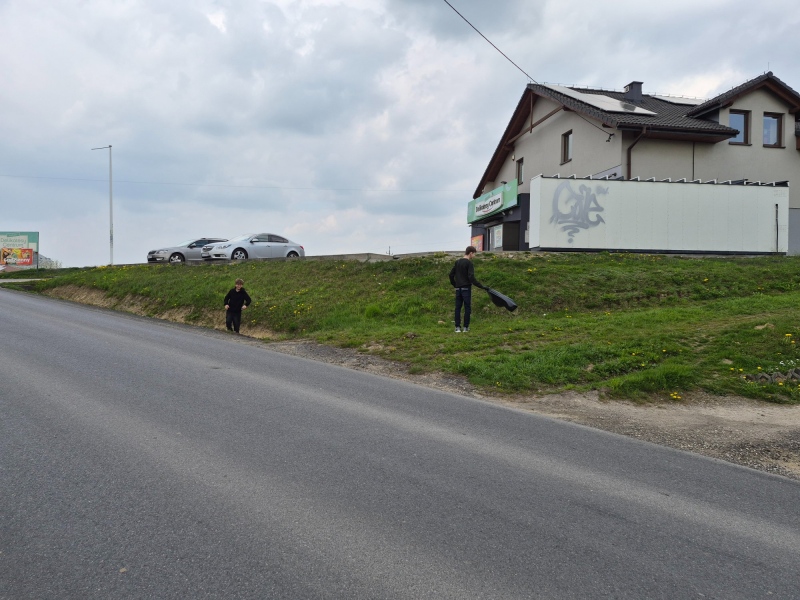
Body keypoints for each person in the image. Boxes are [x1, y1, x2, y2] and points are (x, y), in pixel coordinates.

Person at [448, 246, 486, 333]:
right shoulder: (469, 263)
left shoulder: (457, 262)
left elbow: (451, 275)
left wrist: (455, 284)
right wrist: (481, 286)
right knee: (467, 308)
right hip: (466, 289)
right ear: (471, 253)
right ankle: (465, 327)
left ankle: (457, 327)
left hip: (458, 289)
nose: (474, 256)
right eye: (474, 254)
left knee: (458, 308)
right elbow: (471, 277)